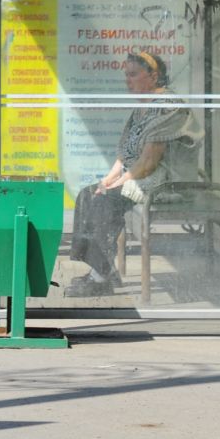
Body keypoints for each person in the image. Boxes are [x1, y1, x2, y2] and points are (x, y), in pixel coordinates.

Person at [65, 50, 201, 298]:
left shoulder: (166, 107)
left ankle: (100, 278)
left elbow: (148, 162)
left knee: (104, 201)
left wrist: (115, 185)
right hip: (143, 178)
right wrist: (107, 180)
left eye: (134, 74)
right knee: (87, 195)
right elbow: (125, 153)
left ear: (153, 76)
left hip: (167, 183)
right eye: (126, 75)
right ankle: (103, 269)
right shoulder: (143, 108)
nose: (128, 80)